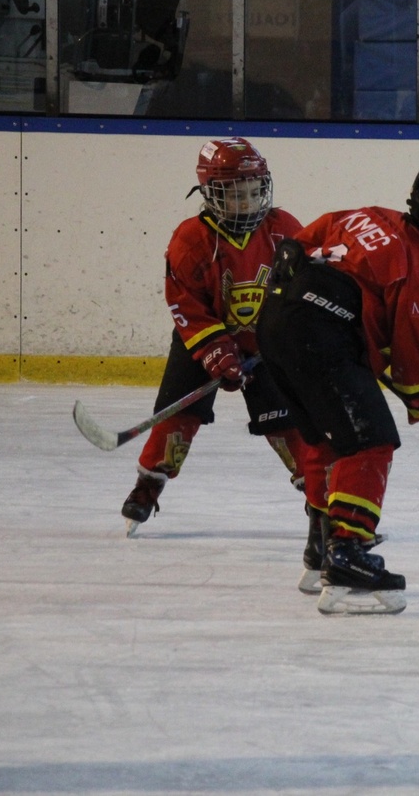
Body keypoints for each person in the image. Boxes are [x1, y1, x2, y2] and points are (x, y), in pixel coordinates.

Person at [256, 156, 419, 617]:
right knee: (371, 443)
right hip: (320, 339)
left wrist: (288, 316)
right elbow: (417, 368)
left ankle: (320, 551)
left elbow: (297, 246)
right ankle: (348, 561)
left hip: (275, 324)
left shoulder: (368, 216)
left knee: (325, 438)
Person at [120, 137, 315, 541]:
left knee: (286, 422)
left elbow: (305, 289)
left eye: (253, 191)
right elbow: (186, 306)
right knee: (178, 415)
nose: (245, 202)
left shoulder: (285, 230)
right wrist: (216, 353)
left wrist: (286, 335)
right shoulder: (191, 240)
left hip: (268, 346)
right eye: (233, 194)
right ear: (210, 194)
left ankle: (321, 496)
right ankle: (148, 485)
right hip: (204, 340)